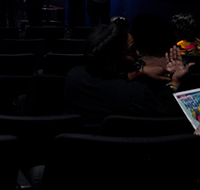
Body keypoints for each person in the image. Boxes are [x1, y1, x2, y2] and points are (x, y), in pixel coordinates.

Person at [64, 20, 195, 126]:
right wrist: (175, 82)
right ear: (112, 60)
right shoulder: (136, 93)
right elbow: (166, 110)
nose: (137, 53)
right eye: (131, 51)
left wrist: (140, 71)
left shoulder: (73, 76)